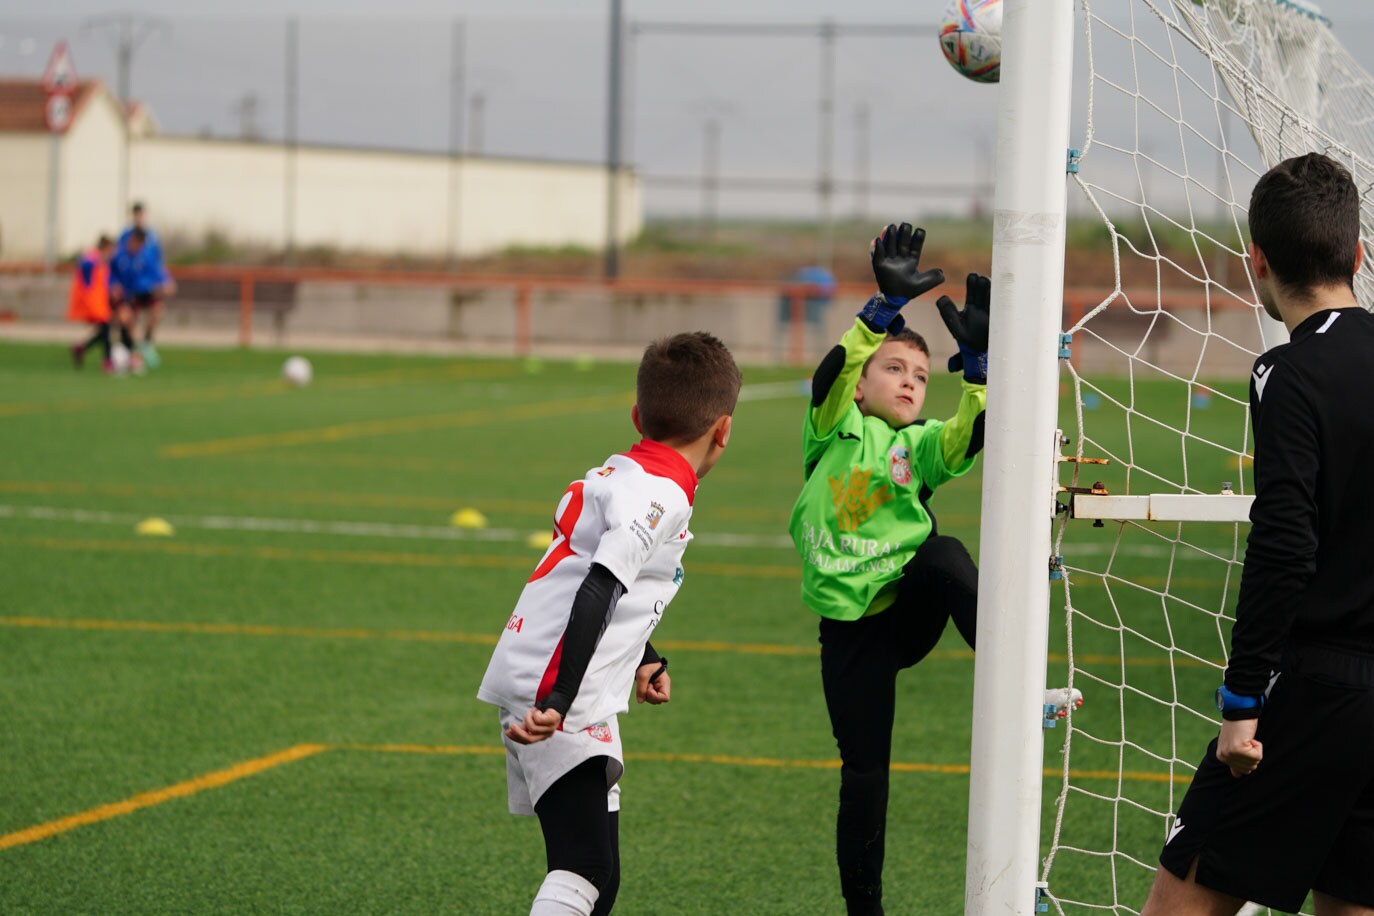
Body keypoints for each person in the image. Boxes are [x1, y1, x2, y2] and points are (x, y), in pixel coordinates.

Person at [1142, 152, 1374, 916]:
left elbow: (1283, 544)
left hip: (1311, 694)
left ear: (1258, 261)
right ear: (1358, 253)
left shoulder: (1290, 371)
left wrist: (1241, 703)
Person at [477, 332, 742, 916]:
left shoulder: (624, 472)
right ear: (723, 430)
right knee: (585, 869)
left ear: (637, 416)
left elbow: (603, 579)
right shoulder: (662, 495)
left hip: (568, 677)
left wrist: (644, 655)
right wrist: (559, 699)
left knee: (599, 874)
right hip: (561, 685)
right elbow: (599, 586)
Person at [789, 222, 990, 915]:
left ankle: (1009, 671)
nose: (909, 383)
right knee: (864, 776)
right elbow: (831, 375)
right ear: (867, 381)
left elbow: (970, 436)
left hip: (908, 611)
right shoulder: (833, 428)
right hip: (850, 634)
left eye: (921, 376)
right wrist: (878, 312)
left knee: (944, 554)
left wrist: (981, 372)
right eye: (895, 370)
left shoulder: (920, 445)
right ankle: (864, 909)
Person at [113, 202, 175, 370]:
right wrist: (113, 286)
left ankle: (145, 344)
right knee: (126, 321)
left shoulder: (151, 240)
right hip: (130, 293)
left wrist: (165, 281)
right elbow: (114, 271)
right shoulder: (123, 242)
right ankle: (132, 354)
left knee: (157, 312)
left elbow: (157, 266)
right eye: (137, 214)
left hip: (146, 290)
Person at [68, 234, 115, 372]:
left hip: (100, 302)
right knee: (106, 328)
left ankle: (82, 348)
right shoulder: (94, 257)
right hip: (93, 302)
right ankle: (107, 361)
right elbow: (83, 265)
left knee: (105, 330)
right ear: (105, 247)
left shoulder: (103, 261)